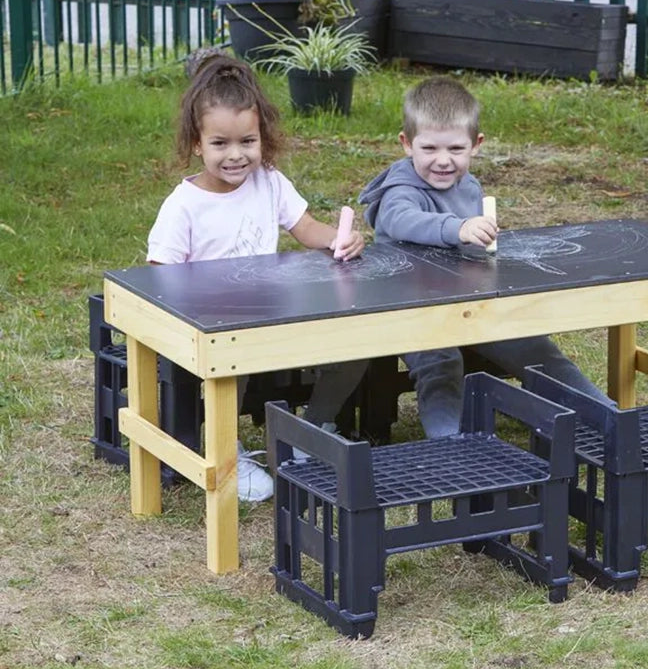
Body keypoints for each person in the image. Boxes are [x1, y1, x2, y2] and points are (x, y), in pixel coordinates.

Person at [147, 54, 368, 502]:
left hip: (270, 311)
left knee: (358, 338)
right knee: (235, 359)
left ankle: (310, 433)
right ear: (196, 143)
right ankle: (226, 448)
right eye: (220, 143)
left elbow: (305, 228)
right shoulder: (183, 206)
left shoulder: (269, 181)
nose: (236, 155)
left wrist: (341, 239)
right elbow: (160, 277)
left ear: (263, 138)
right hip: (215, 325)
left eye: (248, 140)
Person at [358, 76, 607, 438]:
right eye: (429, 149)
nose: (443, 161)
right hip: (412, 310)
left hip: (470, 303)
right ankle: (453, 447)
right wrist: (456, 228)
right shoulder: (400, 190)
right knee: (440, 364)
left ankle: (603, 415)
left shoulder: (469, 186)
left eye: (455, 150)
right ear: (406, 144)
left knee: (535, 347)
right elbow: (400, 220)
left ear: (476, 146)